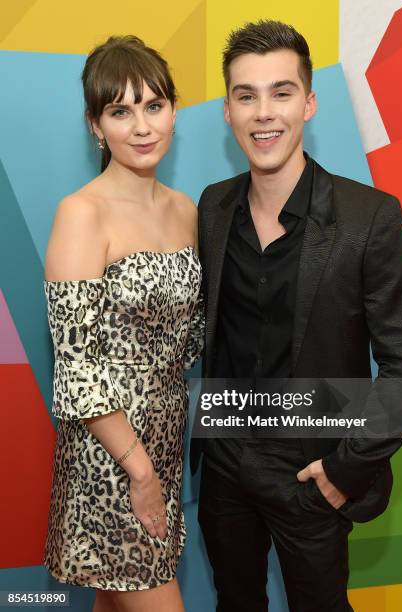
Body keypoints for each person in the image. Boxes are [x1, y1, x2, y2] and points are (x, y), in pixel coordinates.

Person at [192, 20, 402, 612]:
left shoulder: (368, 216)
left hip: (311, 472)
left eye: (281, 91)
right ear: (227, 111)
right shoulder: (213, 208)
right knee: (234, 602)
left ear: (310, 102)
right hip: (224, 465)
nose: (263, 113)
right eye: (246, 96)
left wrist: (345, 470)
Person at [43, 35, 203, 612]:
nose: (141, 126)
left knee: (116, 602)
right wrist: (139, 470)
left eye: (153, 105)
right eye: (120, 110)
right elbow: (78, 368)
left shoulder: (186, 211)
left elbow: (192, 339)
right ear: (96, 124)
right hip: (110, 451)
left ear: (173, 110)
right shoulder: (81, 214)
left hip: (164, 437)